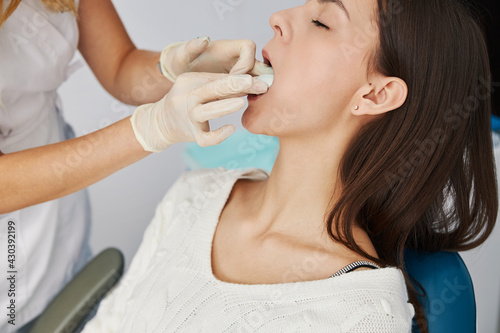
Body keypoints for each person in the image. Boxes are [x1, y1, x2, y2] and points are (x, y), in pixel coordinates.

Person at [81, 0, 498, 332]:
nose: (277, 18)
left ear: (374, 96)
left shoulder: (363, 318)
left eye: (321, 21)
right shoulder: (196, 193)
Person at [0, 0, 273, 331]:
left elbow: (118, 65)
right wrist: (148, 129)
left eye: (322, 22)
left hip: (59, 231)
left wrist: (172, 68)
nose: (279, 19)